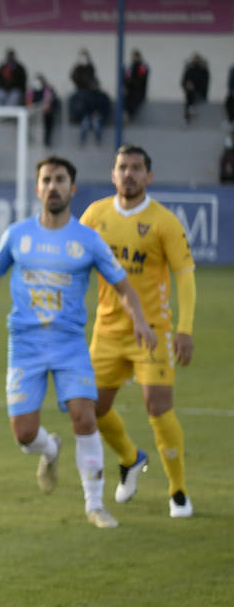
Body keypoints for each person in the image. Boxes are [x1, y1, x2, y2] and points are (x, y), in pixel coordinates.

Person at [0, 156, 156, 528]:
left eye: (60, 179)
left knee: (85, 416)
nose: (53, 186)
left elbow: (123, 287)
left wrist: (141, 323)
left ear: (73, 188)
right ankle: (49, 448)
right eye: (47, 180)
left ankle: (95, 505)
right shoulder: (18, 234)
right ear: (37, 188)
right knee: (24, 435)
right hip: (25, 345)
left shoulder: (87, 239)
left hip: (69, 345)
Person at [79, 145, 197, 518]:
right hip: (108, 331)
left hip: (154, 330)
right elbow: (74, 263)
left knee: (157, 406)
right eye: (122, 167)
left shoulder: (164, 222)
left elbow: (185, 276)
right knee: (92, 409)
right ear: (113, 174)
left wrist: (184, 329)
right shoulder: (95, 215)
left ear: (149, 176)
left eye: (136, 168)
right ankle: (130, 459)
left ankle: (177, 491)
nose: (128, 174)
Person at [180, 53, 209, 124]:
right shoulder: (189, 69)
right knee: (189, 96)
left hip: (199, 92)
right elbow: (183, 81)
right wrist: (187, 85)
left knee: (191, 96)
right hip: (190, 91)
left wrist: (194, 87)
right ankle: (187, 117)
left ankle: (189, 112)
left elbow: (205, 83)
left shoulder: (203, 70)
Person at [123, 50, 149, 122]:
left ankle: (128, 116)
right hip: (130, 90)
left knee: (132, 100)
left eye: (135, 57)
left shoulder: (142, 67)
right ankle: (126, 115)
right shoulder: (131, 66)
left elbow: (141, 79)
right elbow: (127, 77)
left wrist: (132, 81)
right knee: (126, 99)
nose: (134, 58)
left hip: (138, 90)